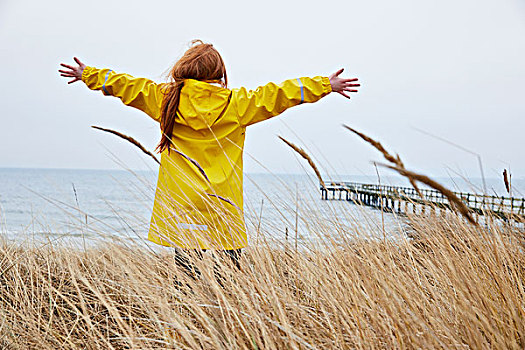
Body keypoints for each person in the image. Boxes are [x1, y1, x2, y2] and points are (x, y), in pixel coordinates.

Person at [58, 40, 359, 278]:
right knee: (229, 284)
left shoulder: (165, 100)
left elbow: (127, 86)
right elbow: (278, 94)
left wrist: (89, 75)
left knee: (186, 282)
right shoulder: (237, 103)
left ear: (183, 69)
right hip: (223, 206)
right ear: (219, 74)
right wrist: (324, 85)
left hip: (182, 207)